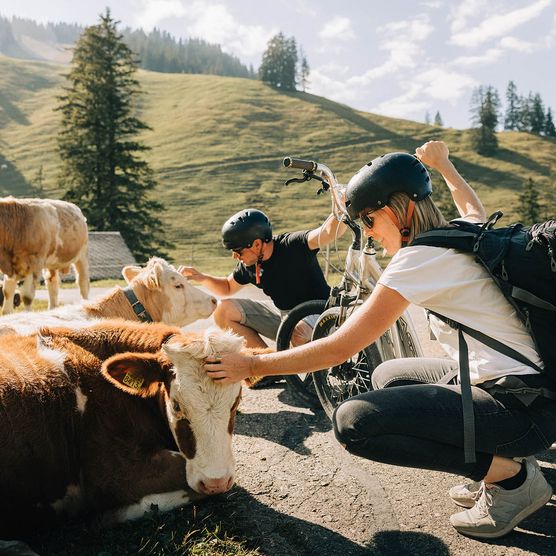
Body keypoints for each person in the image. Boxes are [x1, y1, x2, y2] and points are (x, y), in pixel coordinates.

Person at [203, 140, 556, 539]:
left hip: (519, 410)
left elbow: (340, 347)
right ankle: (496, 456)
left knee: (355, 423)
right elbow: (470, 204)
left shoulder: (415, 260)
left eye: (369, 220)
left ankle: (510, 480)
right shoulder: (461, 232)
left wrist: (251, 364)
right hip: (534, 393)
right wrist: (444, 166)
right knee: (389, 375)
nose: (369, 234)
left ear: (398, 209)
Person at [180, 206, 346, 386]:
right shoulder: (250, 265)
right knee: (224, 310)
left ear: (257, 244)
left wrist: (342, 204)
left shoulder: (293, 245)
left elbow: (329, 232)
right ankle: (268, 368)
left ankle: (319, 380)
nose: (235, 256)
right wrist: (201, 277)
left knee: (299, 332)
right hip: (285, 315)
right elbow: (227, 288)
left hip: (320, 315)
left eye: (238, 250)